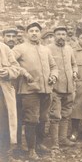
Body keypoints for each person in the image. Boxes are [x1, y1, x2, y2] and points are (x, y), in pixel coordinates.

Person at [13, 22, 58, 160]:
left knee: (43, 119)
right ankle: (31, 150)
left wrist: (53, 76)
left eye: (36, 31)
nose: (34, 33)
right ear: (27, 33)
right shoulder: (19, 48)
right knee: (31, 120)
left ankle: (39, 144)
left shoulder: (45, 50)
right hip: (29, 91)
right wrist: (24, 72)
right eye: (31, 31)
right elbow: (10, 63)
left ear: (40, 33)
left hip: (46, 91)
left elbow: (54, 66)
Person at [48, 26, 78, 149]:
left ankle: (63, 139)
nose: (61, 36)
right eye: (59, 34)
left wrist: (75, 72)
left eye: (63, 34)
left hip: (69, 88)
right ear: (54, 36)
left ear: (66, 36)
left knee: (66, 115)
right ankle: (55, 142)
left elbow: (74, 64)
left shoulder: (69, 49)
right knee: (55, 116)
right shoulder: (48, 49)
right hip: (55, 88)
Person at [0, 41, 20, 161]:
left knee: (4, 121)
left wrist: (8, 72)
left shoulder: (4, 48)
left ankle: (5, 153)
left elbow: (16, 67)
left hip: (3, 92)